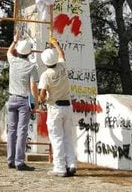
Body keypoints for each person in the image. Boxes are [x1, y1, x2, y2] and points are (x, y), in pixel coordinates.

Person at [39, 36, 76, 177]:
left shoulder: (45, 75)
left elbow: (42, 94)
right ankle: (71, 164)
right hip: (68, 106)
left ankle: (60, 168)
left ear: (44, 62)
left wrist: (42, 99)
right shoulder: (62, 66)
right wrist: (55, 43)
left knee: (57, 138)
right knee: (67, 137)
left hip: (55, 108)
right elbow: (61, 54)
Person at [6, 32, 39, 171]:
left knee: (11, 131)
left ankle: (10, 160)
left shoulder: (12, 60)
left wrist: (14, 41)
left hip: (11, 98)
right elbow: (33, 87)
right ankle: (19, 162)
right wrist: (35, 102)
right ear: (30, 52)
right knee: (22, 131)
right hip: (23, 100)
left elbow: (9, 51)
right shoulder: (32, 67)